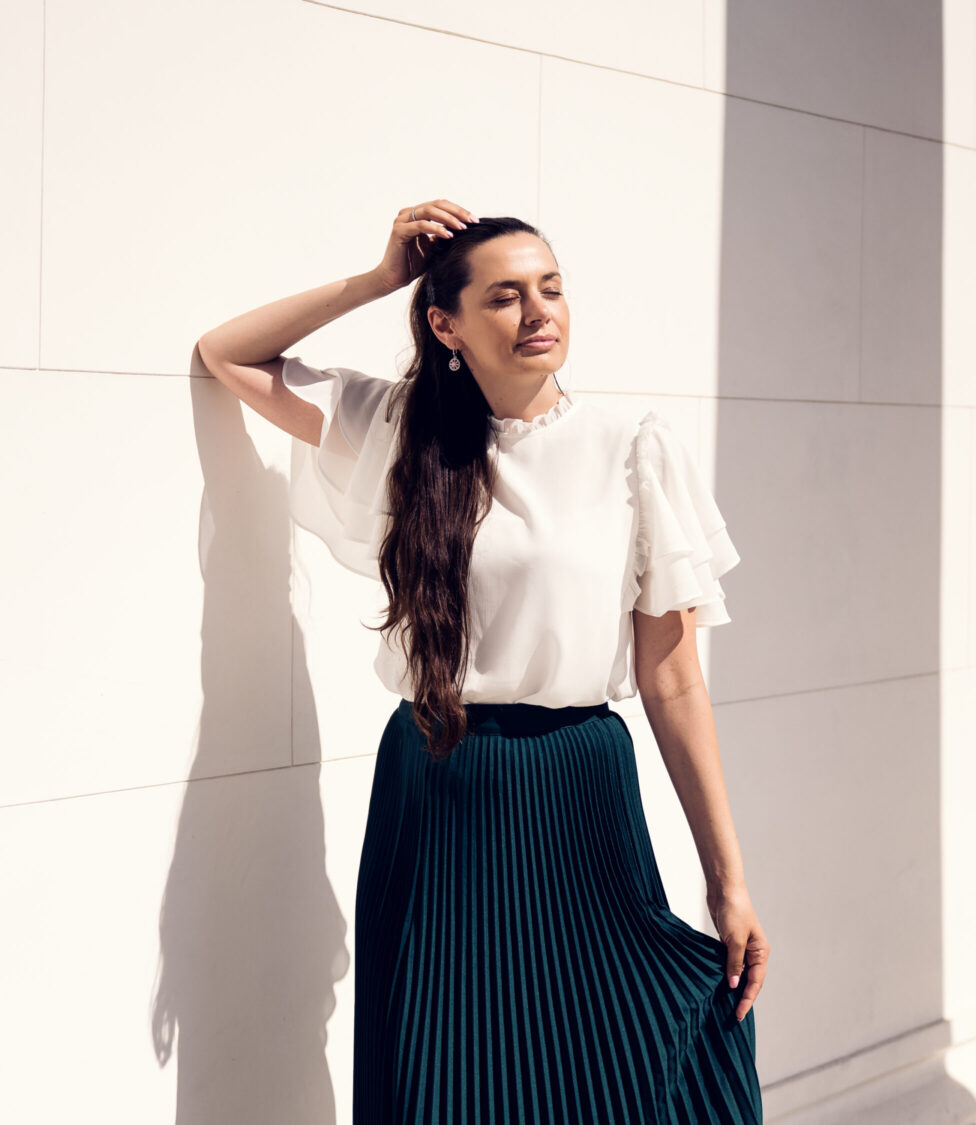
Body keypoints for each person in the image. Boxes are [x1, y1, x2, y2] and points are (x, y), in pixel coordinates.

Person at [195, 200, 767, 1123]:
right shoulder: (397, 432)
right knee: (448, 1068)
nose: (538, 310)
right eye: (505, 295)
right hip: (437, 786)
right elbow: (227, 355)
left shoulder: (634, 448)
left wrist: (728, 882)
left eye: (551, 288)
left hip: (578, 792)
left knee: (613, 1061)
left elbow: (672, 677)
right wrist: (380, 277)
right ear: (444, 323)